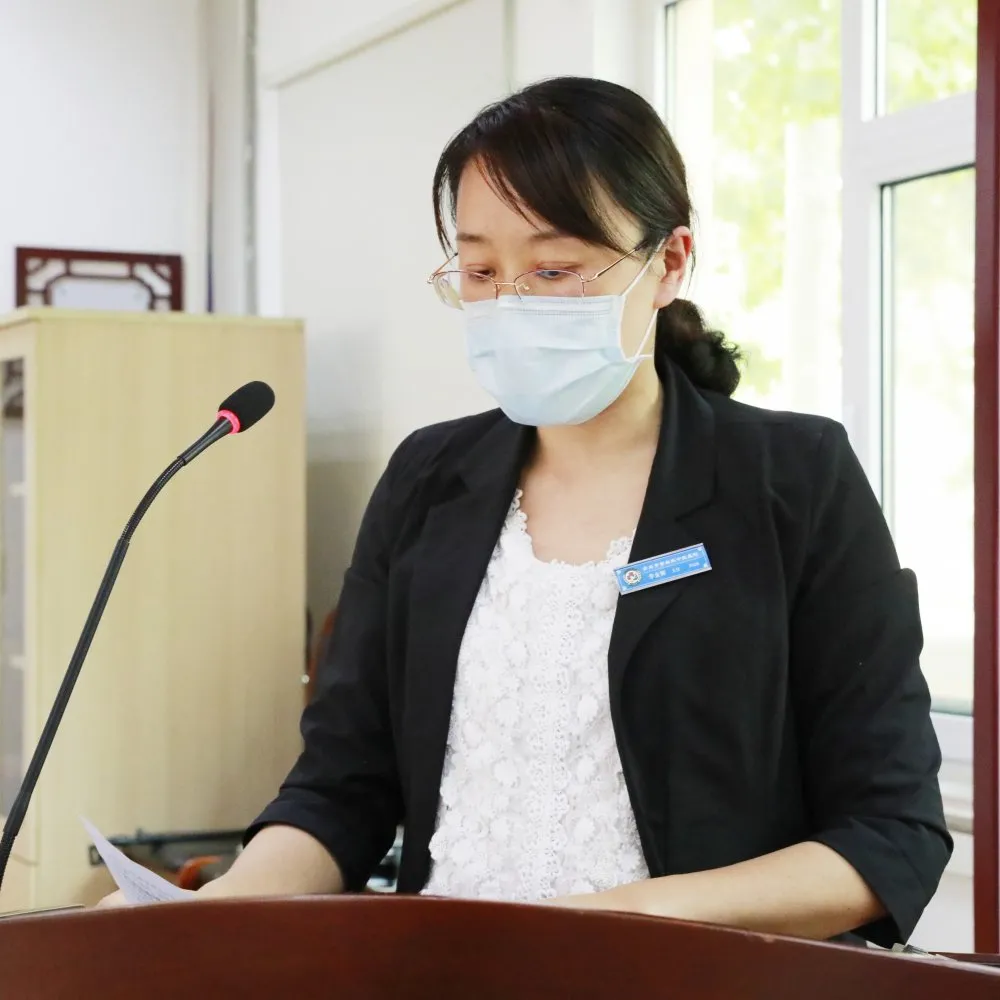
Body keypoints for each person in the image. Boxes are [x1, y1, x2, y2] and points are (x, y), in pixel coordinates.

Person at [100, 76, 950, 945]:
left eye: (554, 270)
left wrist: (602, 924)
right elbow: (339, 792)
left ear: (668, 263)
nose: (510, 302)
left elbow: (889, 835)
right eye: (480, 271)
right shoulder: (428, 480)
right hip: (446, 973)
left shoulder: (793, 479)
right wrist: (212, 912)